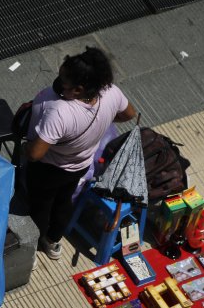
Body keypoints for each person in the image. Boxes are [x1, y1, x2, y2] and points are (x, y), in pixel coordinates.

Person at [24, 47, 138, 260]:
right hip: (81, 166)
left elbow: (35, 154)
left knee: (42, 205)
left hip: (49, 170)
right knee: (64, 200)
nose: (58, 84)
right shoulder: (111, 92)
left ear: (78, 90)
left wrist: (26, 147)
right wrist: (101, 122)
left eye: (63, 82)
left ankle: (34, 244)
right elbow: (129, 114)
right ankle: (53, 242)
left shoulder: (60, 112)